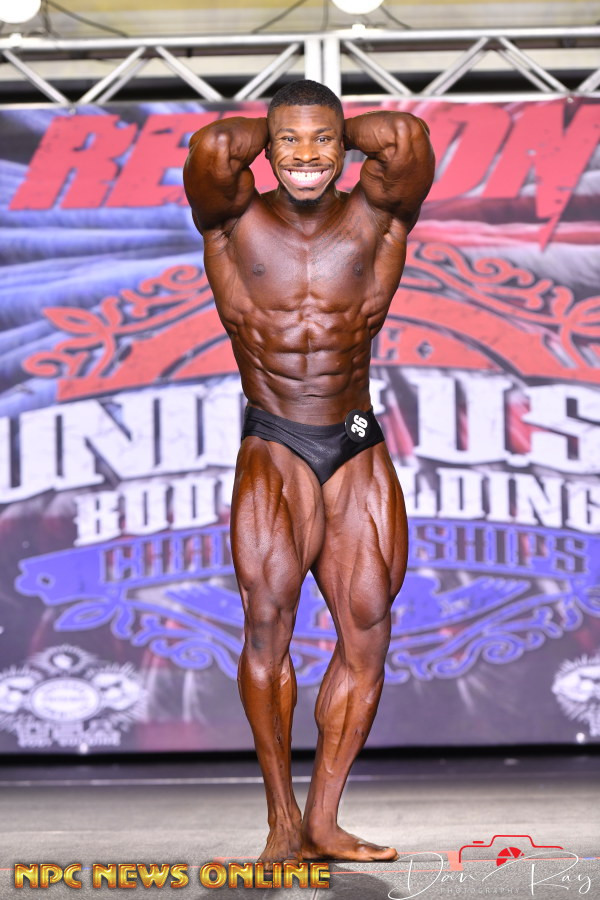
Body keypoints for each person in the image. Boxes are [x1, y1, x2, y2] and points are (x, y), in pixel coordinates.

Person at [183, 80, 434, 865]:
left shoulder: (377, 214)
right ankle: (281, 821)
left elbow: (404, 137)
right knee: (267, 626)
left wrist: (328, 135)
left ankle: (325, 819)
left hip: (354, 436)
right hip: (275, 438)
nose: (305, 155)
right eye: (288, 140)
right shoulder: (231, 218)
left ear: (345, 145)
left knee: (368, 630)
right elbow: (214, 148)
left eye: (322, 139)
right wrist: (290, 137)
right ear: (265, 143)